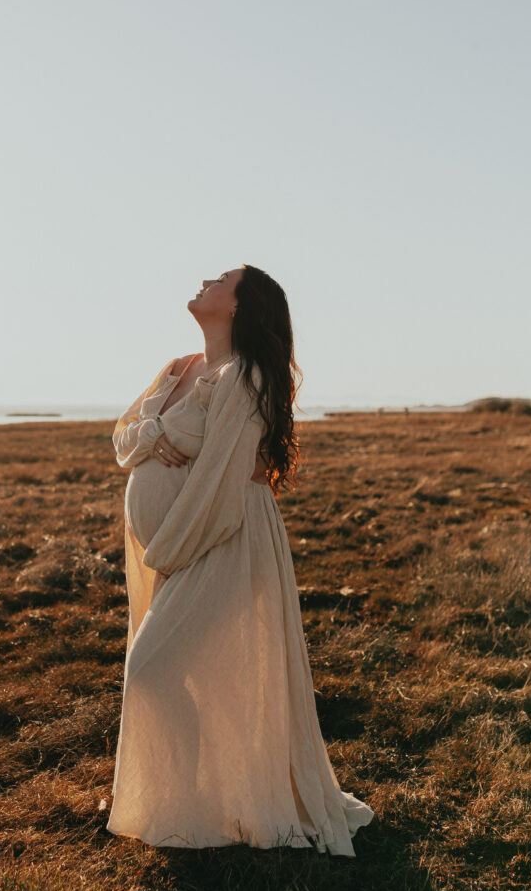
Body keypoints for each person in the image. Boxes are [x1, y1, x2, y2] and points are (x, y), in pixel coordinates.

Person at [106, 265, 375, 854]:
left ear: (239, 306)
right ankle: (192, 799)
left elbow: (223, 478)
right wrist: (156, 435)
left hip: (220, 538)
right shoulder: (178, 368)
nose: (205, 279)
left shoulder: (248, 375)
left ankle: (192, 806)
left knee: (152, 669)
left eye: (220, 278)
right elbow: (123, 437)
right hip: (176, 545)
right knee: (177, 670)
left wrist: (174, 548)